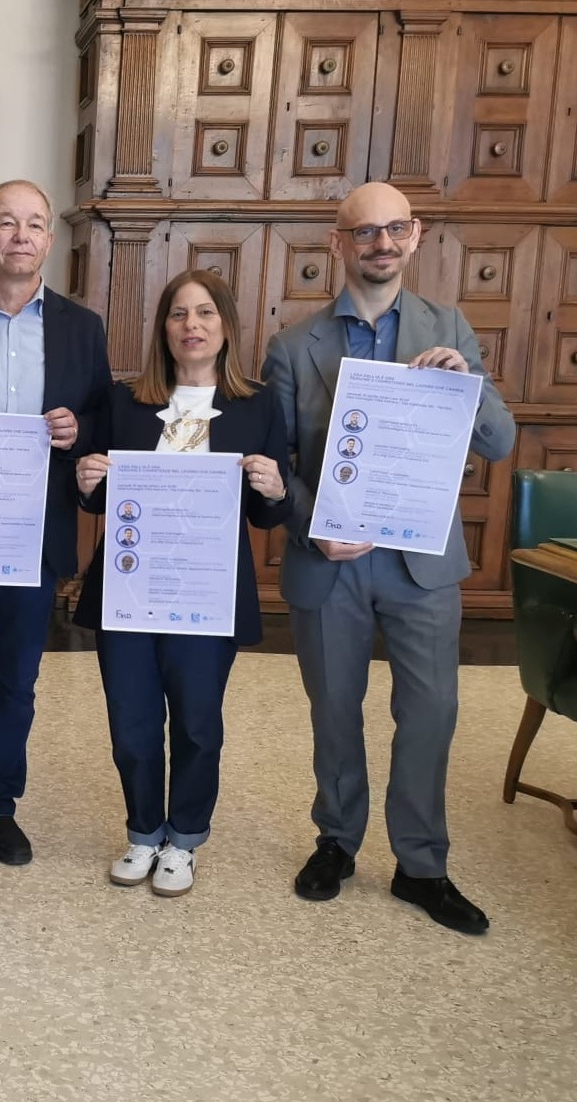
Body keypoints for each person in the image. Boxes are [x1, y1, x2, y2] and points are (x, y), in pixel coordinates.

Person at [263, 182, 515, 934]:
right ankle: (337, 842)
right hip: (331, 561)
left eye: (395, 229)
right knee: (335, 707)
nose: (381, 243)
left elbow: (499, 442)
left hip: (421, 563)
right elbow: (275, 464)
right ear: (338, 243)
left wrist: (467, 386)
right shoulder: (293, 346)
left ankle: (421, 865)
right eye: (365, 231)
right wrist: (312, 526)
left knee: (431, 710)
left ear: (416, 234)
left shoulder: (451, 328)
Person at [74, 269, 292, 896]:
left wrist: (274, 489)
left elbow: (266, 515)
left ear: (226, 325)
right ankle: (144, 833)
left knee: (197, 723)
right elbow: (104, 497)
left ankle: (185, 839)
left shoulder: (258, 405)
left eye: (204, 313)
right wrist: (87, 482)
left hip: (207, 594)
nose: (191, 325)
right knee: (132, 722)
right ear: (163, 328)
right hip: (130, 591)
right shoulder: (125, 401)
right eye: (178, 314)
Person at [0, 178, 111, 865]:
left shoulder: (81, 328)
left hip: (34, 534)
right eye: (7, 222)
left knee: (15, 680)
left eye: (35, 224)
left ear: (49, 240)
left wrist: (79, 429)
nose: (21, 235)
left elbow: (102, 419)